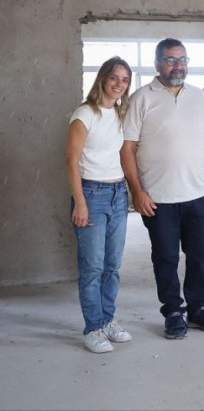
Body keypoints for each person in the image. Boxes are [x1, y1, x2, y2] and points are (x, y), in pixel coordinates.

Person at [120, 38, 204, 339]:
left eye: (182, 59)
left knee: (199, 257)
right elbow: (127, 149)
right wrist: (137, 191)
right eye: (170, 60)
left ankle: (198, 308)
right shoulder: (142, 98)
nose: (177, 65)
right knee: (165, 258)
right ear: (157, 64)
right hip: (158, 199)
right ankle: (173, 311)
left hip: (197, 196)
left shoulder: (198, 97)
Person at [66, 56, 133, 353]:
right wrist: (80, 203)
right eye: (114, 78)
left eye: (125, 80)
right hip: (92, 194)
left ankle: (107, 320)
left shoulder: (119, 114)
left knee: (112, 266)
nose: (119, 84)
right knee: (92, 267)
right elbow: (71, 160)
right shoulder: (85, 114)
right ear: (103, 79)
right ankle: (92, 327)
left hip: (118, 193)